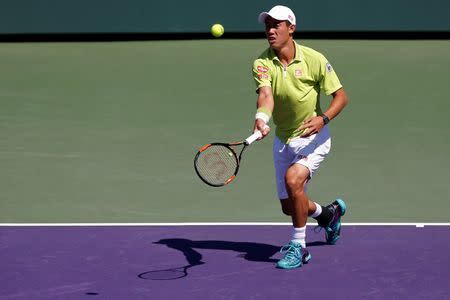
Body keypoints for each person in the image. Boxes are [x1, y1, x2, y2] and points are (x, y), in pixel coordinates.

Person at [252, 5, 349, 269]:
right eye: (267, 26)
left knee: (293, 180)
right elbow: (266, 95)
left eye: (277, 25)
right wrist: (261, 119)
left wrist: (323, 118)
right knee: (290, 207)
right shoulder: (262, 62)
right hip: (283, 140)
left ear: (291, 28)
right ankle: (329, 215)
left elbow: (341, 97)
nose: (270, 30)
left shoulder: (314, 59)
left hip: (313, 138)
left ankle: (299, 248)